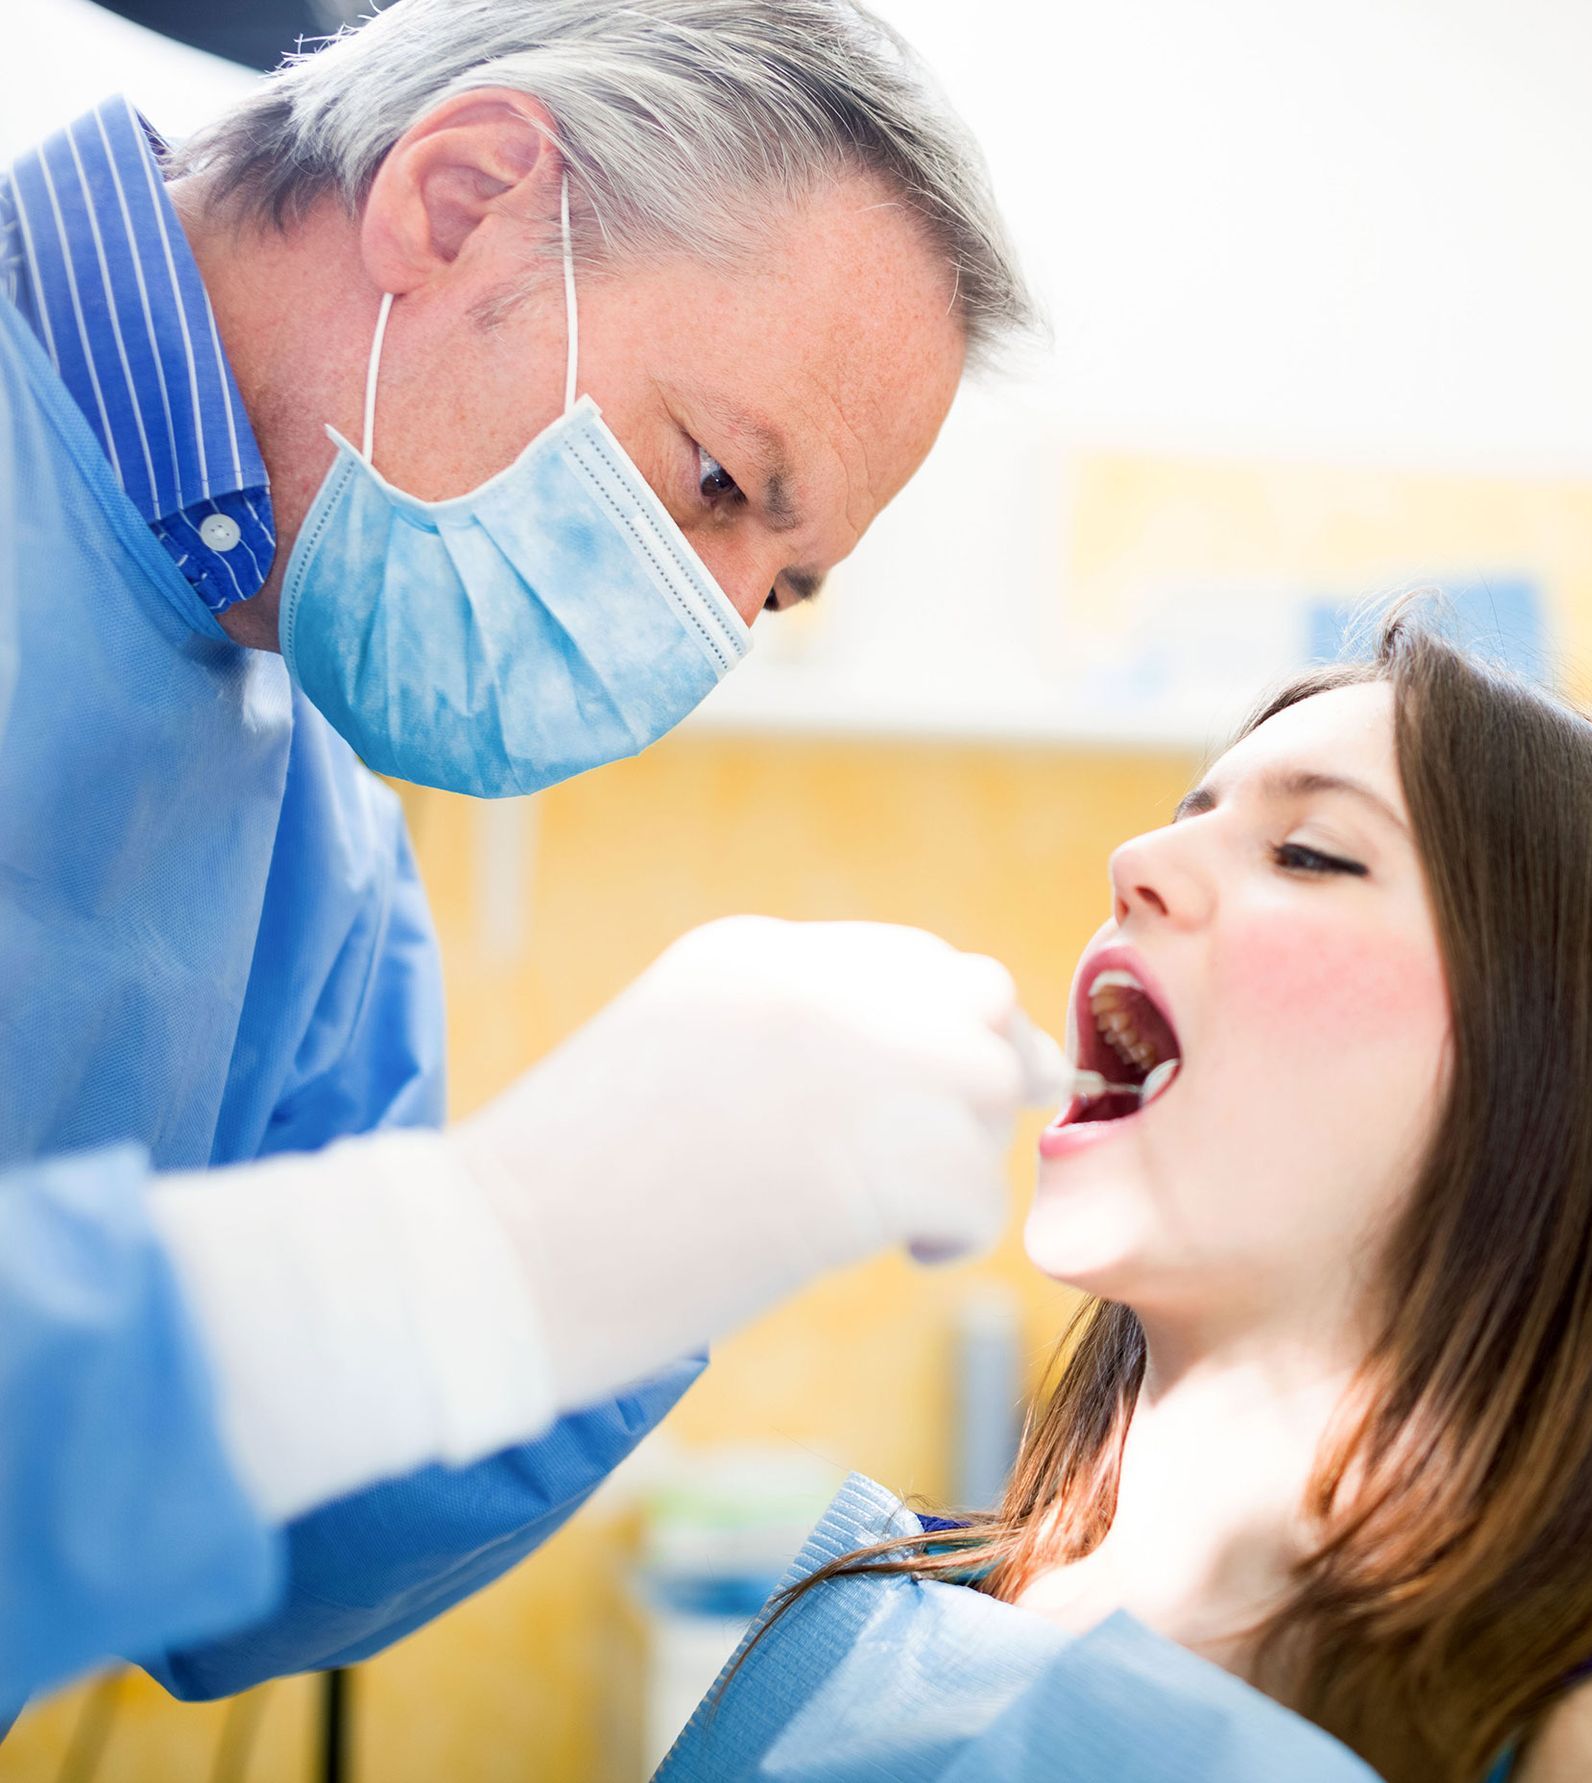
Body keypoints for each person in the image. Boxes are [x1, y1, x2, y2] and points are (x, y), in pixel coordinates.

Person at [0, 0, 1056, 1718]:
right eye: (717, 480)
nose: (716, 629)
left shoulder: (314, 834)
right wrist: (485, 1247)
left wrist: (646, 1252)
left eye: (780, 589)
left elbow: (261, 1553)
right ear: (465, 196)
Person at [659, 616, 1592, 1783]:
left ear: (1561, 1086)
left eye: (1310, 852)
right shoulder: (882, 1607)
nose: (1135, 862)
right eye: (1193, 818)